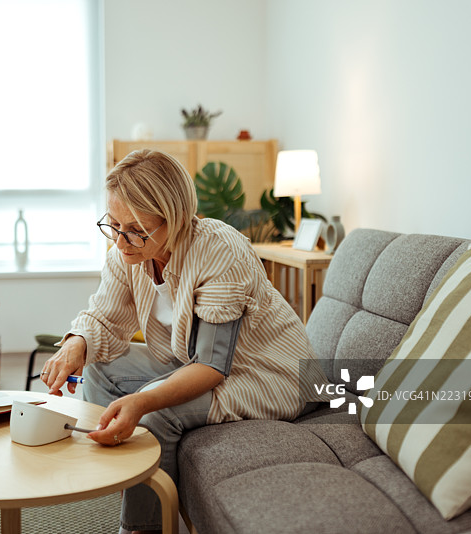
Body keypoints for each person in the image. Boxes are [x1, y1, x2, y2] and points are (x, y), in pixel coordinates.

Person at [39, 149, 322, 534]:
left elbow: (210, 367)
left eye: (137, 230)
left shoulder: (220, 252)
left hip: (272, 374)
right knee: (100, 368)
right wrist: (75, 343)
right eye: (114, 225)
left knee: (155, 413)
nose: (121, 242)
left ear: (174, 218)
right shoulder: (128, 253)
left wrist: (142, 400)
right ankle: (126, 476)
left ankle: (144, 527)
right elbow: (104, 317)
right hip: (191, 361)